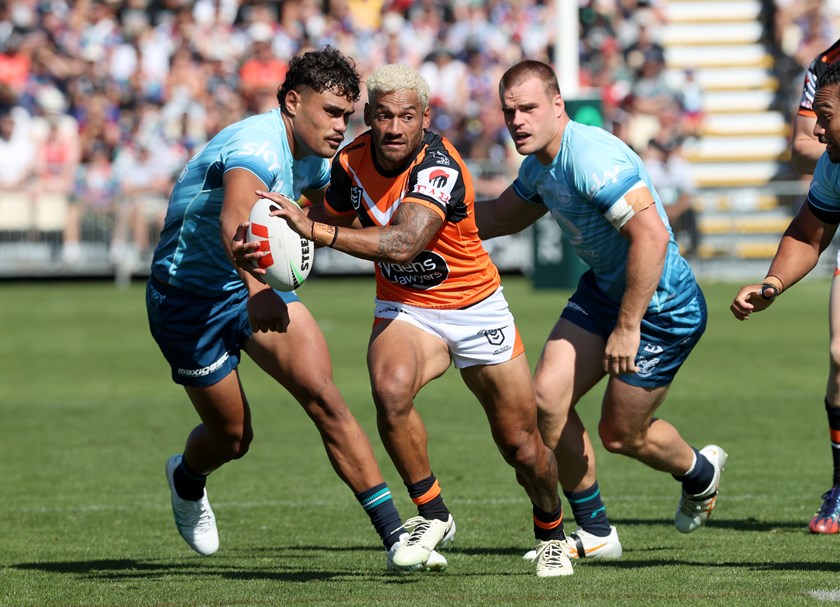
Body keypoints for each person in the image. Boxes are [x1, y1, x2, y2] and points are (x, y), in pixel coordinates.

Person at [236, 63, 573, 577]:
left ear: (425, 119)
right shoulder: (349, 161)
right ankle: (432, 514)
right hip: (407, 307)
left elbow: (402, 243)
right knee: (390, 389)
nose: (394, 128)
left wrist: (315, 234)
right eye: (384, 116)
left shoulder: (440, 166)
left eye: (407, 117)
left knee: (522, 446)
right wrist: (274, 222)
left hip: (474, 306)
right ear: (368, 116)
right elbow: (333, 213)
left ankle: (551, 529)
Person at [146, 46, 445, 571]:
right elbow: (236, 220)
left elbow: (326, 212)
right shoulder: (257, 144)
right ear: (292, 101)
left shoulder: (315, 156)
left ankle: (396, 536)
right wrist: (258, 286)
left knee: (326, 398)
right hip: (187, 301)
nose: (339, 126)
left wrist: (405, 231)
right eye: (331, 112)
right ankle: (187, 478)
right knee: (233, 437)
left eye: (347, 116)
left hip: (252, 288)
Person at [473, 59, 727, 560]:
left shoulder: (590, 157)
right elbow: (501, 216)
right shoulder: (539, 166)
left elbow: (651, 238)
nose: (518, 120)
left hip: (662, 307)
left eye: (528, 108)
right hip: (604, 292)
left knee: (621, 434)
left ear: (557, 105)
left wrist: (628, 325)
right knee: (546, 400)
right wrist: (422, 213)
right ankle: (595, 532)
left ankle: (700, 473)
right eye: (509, 111)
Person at [745, 56, 840, 534]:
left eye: (824, 118)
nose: (816, 133)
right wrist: (772, 285)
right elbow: (807, 234)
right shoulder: (833, 168)